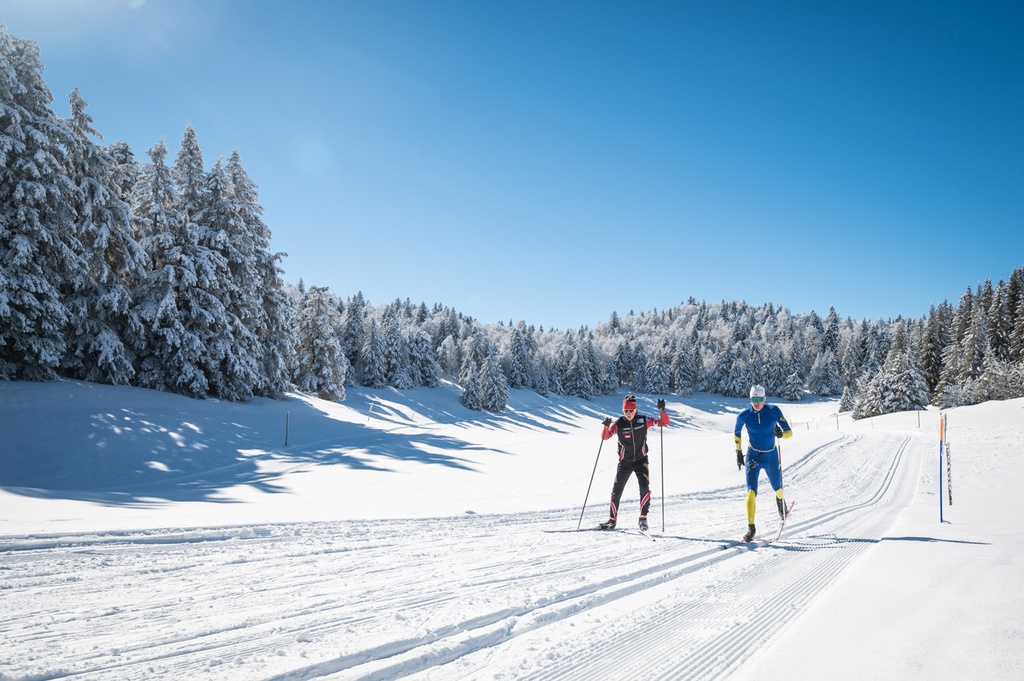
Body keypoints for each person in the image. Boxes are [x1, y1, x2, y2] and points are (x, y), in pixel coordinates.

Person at [598, 394, 670, 531]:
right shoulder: (618, 424)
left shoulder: (644, 420)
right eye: (626, 411)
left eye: (631, 410)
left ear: (635, 410)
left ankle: (643, 519)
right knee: (616, 491)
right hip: (625, 462)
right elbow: (605, 437)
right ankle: (612, 521)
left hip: (641, 460)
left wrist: (662, 411)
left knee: (644, 488)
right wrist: (606, 427)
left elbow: (664, 423)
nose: (629, 413)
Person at [734, 384, 792, 542]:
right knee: (751, 491)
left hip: (771, 456)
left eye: (759, 399)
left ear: (764, 399)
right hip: (752, 455)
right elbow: (737, 432)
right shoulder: (744, 415)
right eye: (753, 399)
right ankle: (751, 528)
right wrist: (738, 452)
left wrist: (781, 434)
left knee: (778, 488)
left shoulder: (773, 411)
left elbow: (789, 432)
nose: (756, 402)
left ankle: (780, 502)